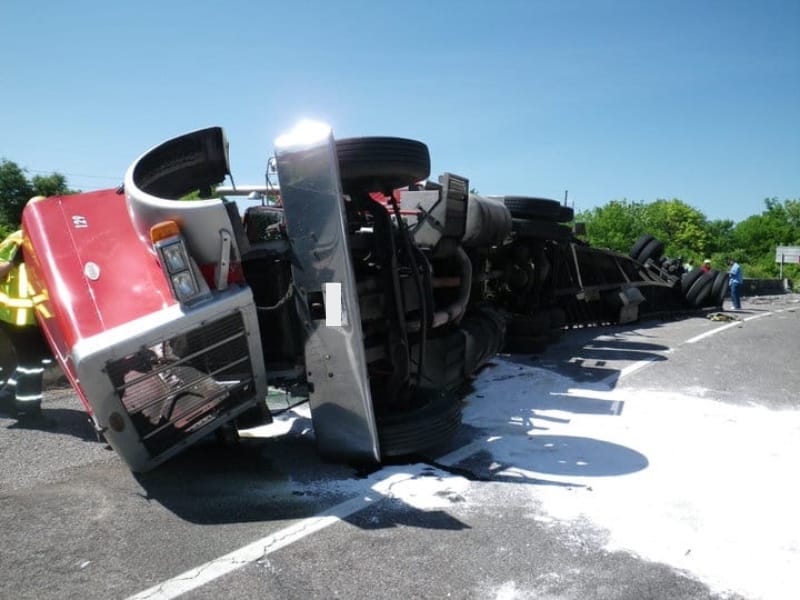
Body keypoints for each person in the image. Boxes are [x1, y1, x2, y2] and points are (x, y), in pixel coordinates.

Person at [0, 227, 52, 422]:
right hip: (13, 315)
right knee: (32, 364)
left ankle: (6, 398)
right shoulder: (17, 240)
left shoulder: (42, 238)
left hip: (30, 316)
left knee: (30, 361)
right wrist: (13, 263)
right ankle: (29, 412)